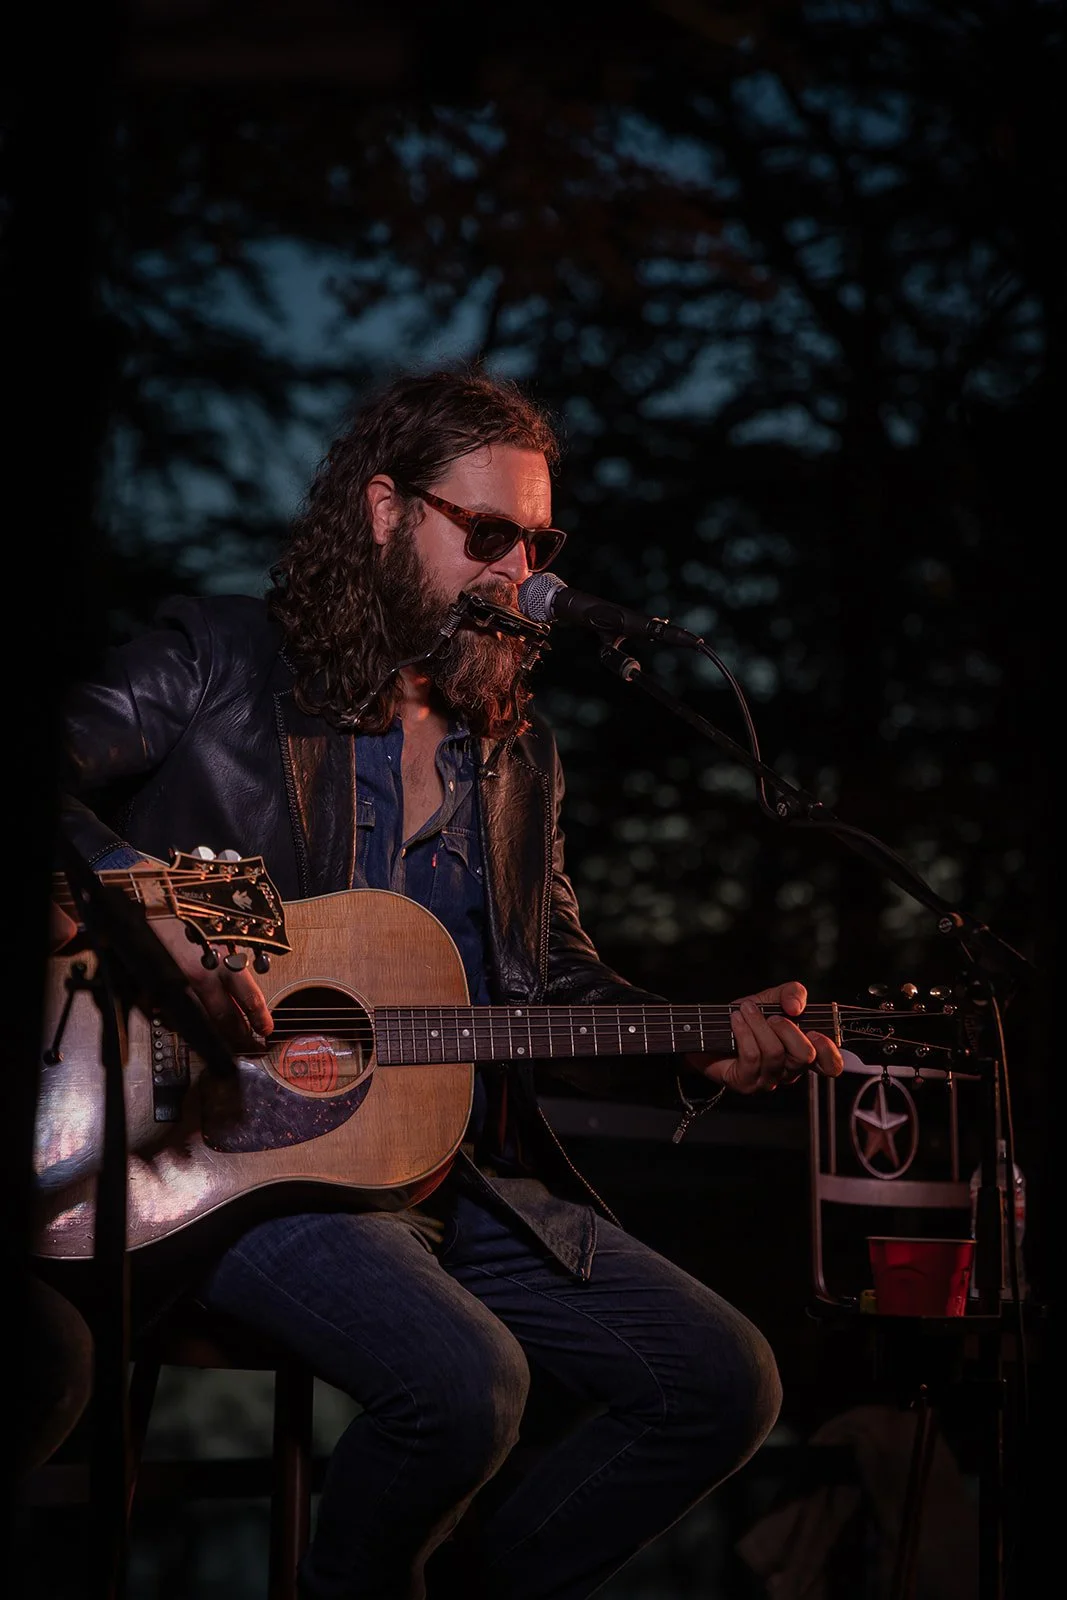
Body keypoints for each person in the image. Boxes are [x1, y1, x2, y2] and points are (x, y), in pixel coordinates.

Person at [52, 365, 843, 1600]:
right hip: (228, 1158)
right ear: (382, 510)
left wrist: (692, 1038)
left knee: (720, 1381)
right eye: (487, 534)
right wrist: (155, 925)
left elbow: (546, 981)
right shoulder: (220, 659)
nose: (519, 576)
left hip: (449, 1167)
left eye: (537, 541)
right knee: (466, 1386)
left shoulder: (515, 756)